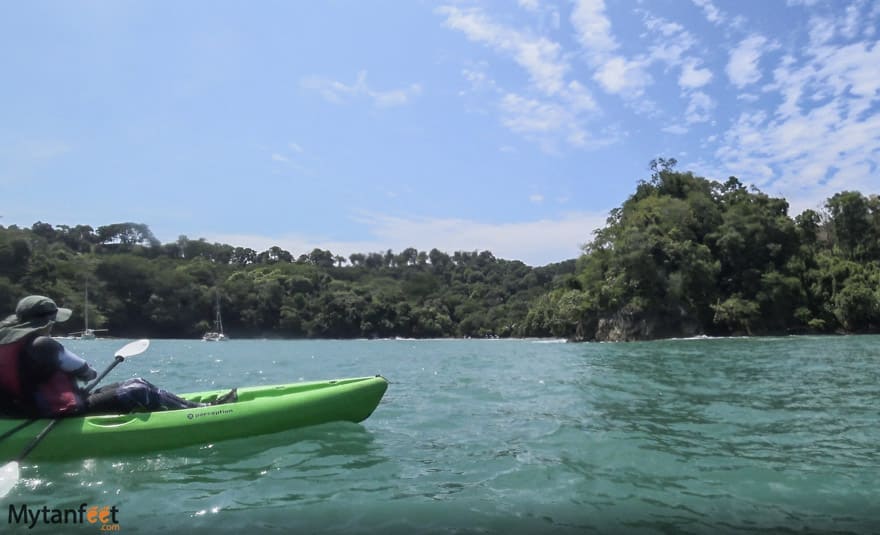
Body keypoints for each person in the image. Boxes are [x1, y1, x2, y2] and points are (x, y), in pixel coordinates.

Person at [0, 295, 236, 418]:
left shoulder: (6, 343)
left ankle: (193, 406)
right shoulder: (44, 344)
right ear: (48, 321)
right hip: (53, 414)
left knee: (135, 383)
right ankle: (203, 411)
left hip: (22, 412)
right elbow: (86, 371)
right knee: (138, 389)